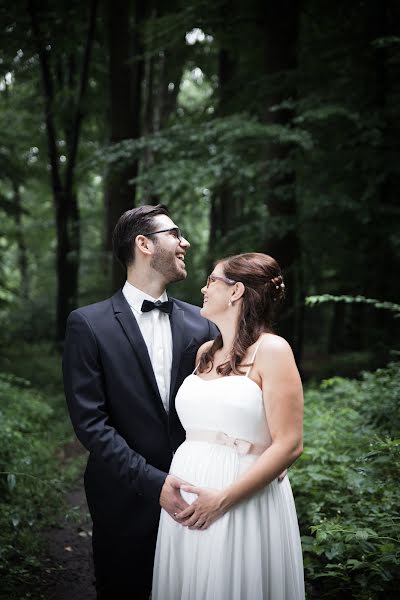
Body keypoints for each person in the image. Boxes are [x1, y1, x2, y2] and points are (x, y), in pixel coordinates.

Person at [62, 204, 217, 600]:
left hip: (197, 495)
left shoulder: (203, 322)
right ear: (144, 243)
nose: (185, 242)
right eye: (174, 233)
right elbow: (90, 424)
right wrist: (154, 482)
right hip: (122, 498)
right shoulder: (88, 324)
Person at [152, 252, 305, 600]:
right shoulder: (205, 351)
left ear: (235, 292)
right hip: (188, 494)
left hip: (240, 497)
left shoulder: (273, 351)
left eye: (211, 281)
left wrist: (221, 500)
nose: (204, 289)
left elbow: (290, 443)